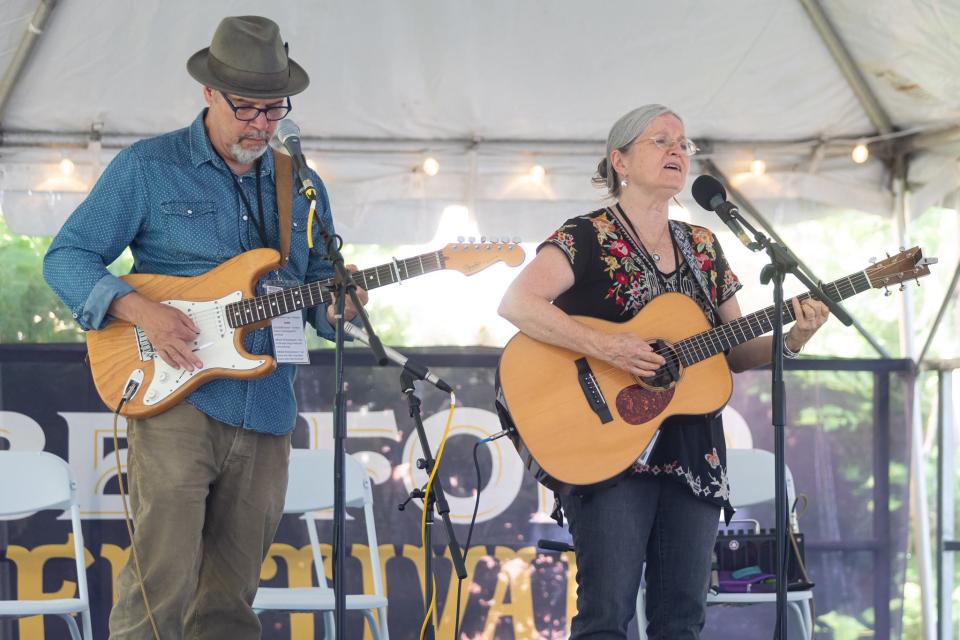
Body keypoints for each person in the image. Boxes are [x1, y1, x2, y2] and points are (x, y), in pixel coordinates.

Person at [43, 16, 366, 639]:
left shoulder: (300, 182)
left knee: (232, 596)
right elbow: (68, 257)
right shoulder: (148, 166)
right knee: (159, 581)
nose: (260, 125)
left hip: (269, 405)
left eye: (274, 111)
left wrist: (341, 306)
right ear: (209, 94)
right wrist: (140, 311)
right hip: (176, 397)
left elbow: (322, 288)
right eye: (246, 108)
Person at [497, 104, 829, 639]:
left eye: (683, 143)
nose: (678, 150)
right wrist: (610, 348)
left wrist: (793, 337)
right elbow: (518, 303)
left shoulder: (703, 246)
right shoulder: (587, 235)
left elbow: (735, 350)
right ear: (619, 161)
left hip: (693, 452)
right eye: (660, 141)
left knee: (682, 619)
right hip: (607, 447)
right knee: (606, 614)